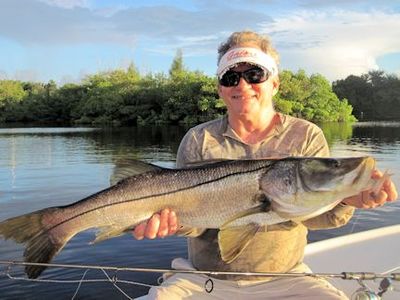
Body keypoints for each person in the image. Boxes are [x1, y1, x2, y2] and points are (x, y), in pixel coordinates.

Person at [133, 31, 398, 299]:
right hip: (202, 279)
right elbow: (195, 224)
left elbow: (316, 216)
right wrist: (170, 223)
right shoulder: (199, 139)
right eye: (231, 77)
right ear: (220, 89)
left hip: (287, 279)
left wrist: (346, 199)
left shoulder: (306, 135)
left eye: (255, 74)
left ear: (275, 84)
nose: (243, 85)